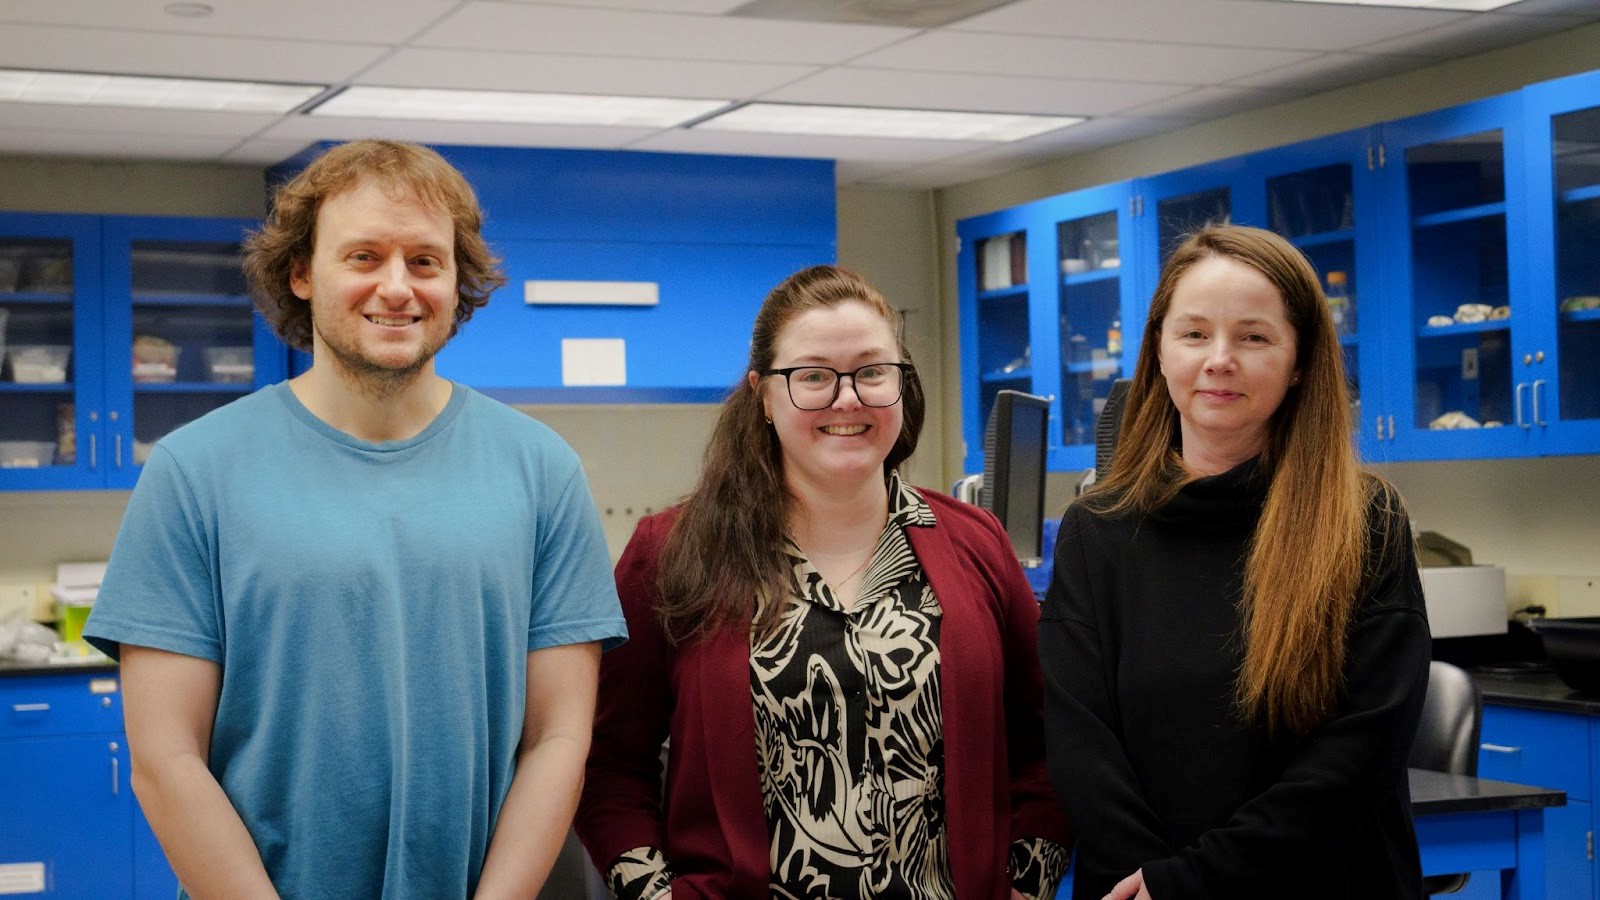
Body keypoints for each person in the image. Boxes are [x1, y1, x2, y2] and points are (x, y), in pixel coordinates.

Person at [82, 139, 627, 899]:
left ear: (456, 279)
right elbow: (166, 759)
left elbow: (559, 738)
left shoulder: (542, 471)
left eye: (426, 261)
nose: (396, 287)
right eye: (364, 256)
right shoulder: (194, 470)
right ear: (302, 273)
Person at [574, 264, 1072, 900]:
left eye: (872, 372)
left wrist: (1025, 884)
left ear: (900, 385)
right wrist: (655, 892)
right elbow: (607, 762)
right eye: (812, 376)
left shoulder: (975, 543)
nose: (848, 398)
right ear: (762, 394)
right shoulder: (670, 552)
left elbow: (1048, 742)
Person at [1040, 224, 1430, 900]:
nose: (1219, 359)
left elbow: (1359, 754)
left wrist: (1193, 882)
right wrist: (1153, 882)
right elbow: (1079, 738)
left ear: (1301, 360)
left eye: (1253, 337)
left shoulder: (1365, 523)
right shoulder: (1095, 530)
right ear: (1158, 351)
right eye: (1194, 334)